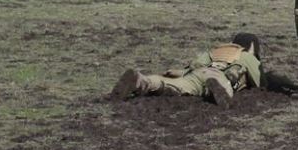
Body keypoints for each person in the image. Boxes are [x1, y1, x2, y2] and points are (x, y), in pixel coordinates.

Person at [111, 33, 263, 108]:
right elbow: (260, 81)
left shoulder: (214, 51)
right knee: (224, 85)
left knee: (175, 86)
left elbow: (194, 65)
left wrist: (180, 72)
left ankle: (142, 80)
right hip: (219, 75)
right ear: (251, 48)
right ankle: (218, 86)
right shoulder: (246, 56)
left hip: (199, 73)